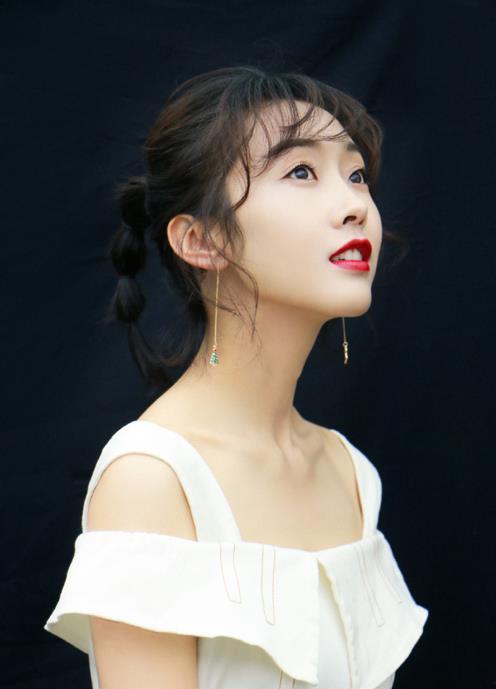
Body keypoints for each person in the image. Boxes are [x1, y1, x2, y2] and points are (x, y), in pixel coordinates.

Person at [44, 65, 428, 689]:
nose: (355, 205)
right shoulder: (153, 480)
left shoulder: (349, 472)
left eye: (356, 175)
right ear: (202, 240)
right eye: (301, 172)